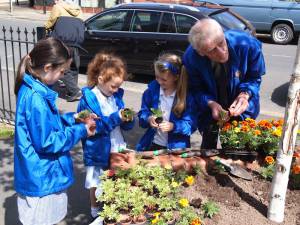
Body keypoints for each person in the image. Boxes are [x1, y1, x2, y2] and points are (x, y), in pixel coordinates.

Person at [14, 37, 96, 225]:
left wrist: (73, 118)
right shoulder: (36, 98)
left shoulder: (34, 89)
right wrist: (81, 130)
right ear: (48, 67)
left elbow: (46, 125)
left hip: (40, 174)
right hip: (43, 177)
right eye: (61, 71)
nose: (62, 76)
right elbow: (48, 141)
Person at [183, 18, 266, 149]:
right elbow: (196, 88)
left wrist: (245, 94)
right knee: (208, 150)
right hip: (209, 111)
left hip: (242, 111)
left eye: (221, 43)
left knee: (236, 149)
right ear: (201, 53)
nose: (222, 52)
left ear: (223, 33)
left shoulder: (248, 44)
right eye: (212, 50)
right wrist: (210, 103)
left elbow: (254, 77)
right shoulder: (192, 58)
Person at [77, 53, 135, 220]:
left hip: (116, 143)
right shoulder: (89, 100)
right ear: (101, 79)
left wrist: (127, 120)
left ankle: (111, 205)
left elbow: (123, 123)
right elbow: (93, 127)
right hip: (97, 148)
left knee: (114, 175)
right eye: (113, 86)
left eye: (118, 86)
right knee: (96, 180)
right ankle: (95, 209)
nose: (116, 90)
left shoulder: (115, 97)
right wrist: (116, 118)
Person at [136, 53, 197, 151]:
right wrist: (148, 118)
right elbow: (143, 113)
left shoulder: (186, 97)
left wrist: (174, 126)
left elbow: (191, 125)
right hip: (152, 144)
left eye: (164, 79)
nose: (159, 82)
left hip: (176, 148)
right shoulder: (150, 92)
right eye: (156, 77)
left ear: (176, 77)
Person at [45, 0, 84, 102]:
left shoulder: (57, 7)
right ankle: (71, 92)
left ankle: (75, 91)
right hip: (76, 41)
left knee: (63, 68)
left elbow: (51, 21)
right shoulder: (78, 9)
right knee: (74, 67)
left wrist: (46, 28)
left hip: (63, 41)